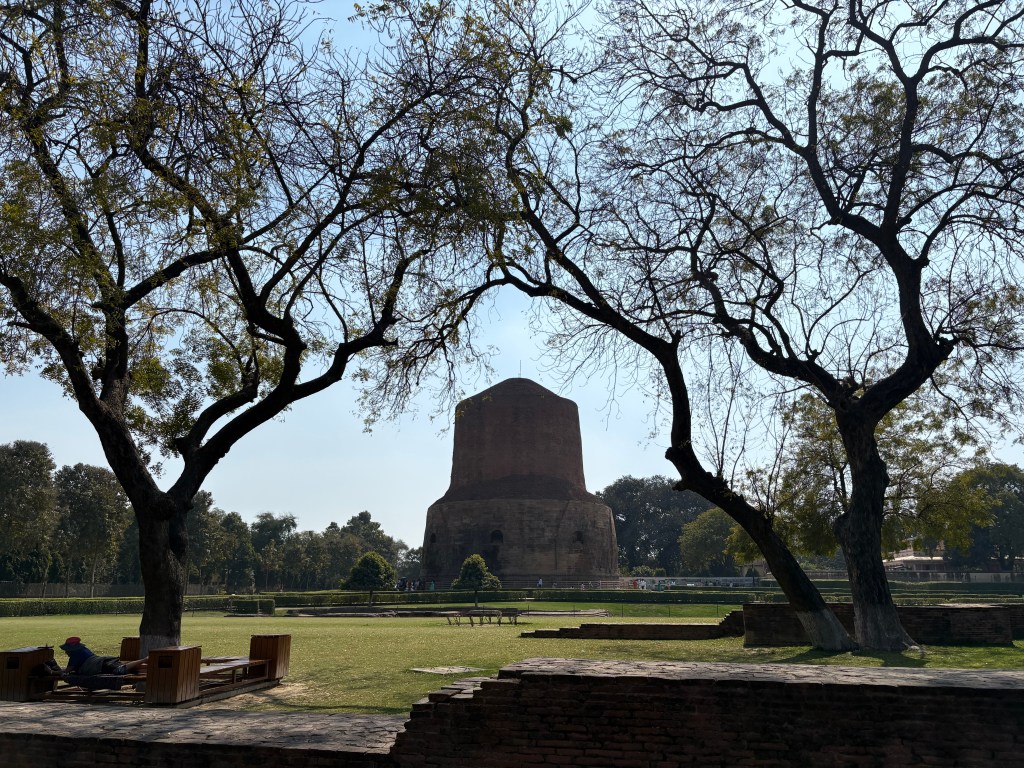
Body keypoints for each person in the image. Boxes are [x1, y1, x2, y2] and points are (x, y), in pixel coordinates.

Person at [59, 637, 146, 677]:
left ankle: (145, 659)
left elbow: (67, 670)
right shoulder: (84, 649)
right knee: (126, 667)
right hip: (103, 660)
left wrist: (54, 671)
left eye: (67, 650)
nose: (66, 652)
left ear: (71, 650)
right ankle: (146, 663)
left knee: (120, 670)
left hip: (100, 666)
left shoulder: (75, 655)